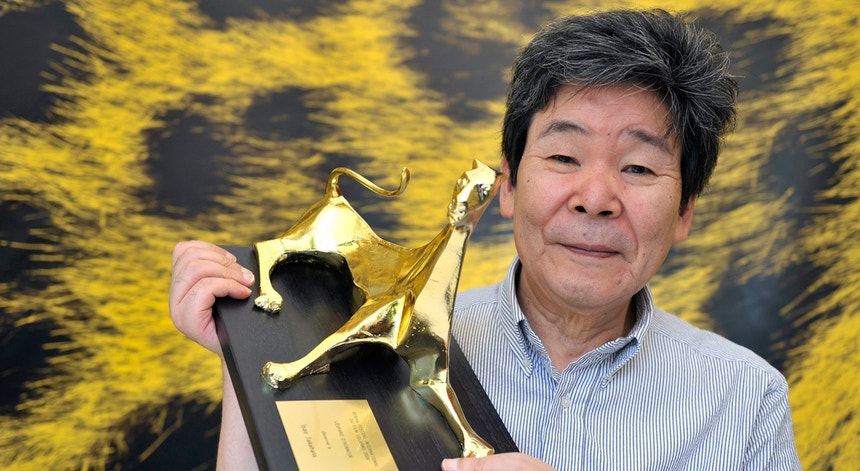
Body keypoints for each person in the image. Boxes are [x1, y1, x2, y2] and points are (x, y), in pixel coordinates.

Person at [170, 9, 801, 470]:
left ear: (684, 211)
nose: (596, 197)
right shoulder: (386, 346)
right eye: (564, 157)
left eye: (638, 168)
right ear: (508, 185)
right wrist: (245, 346)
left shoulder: (745, 400)